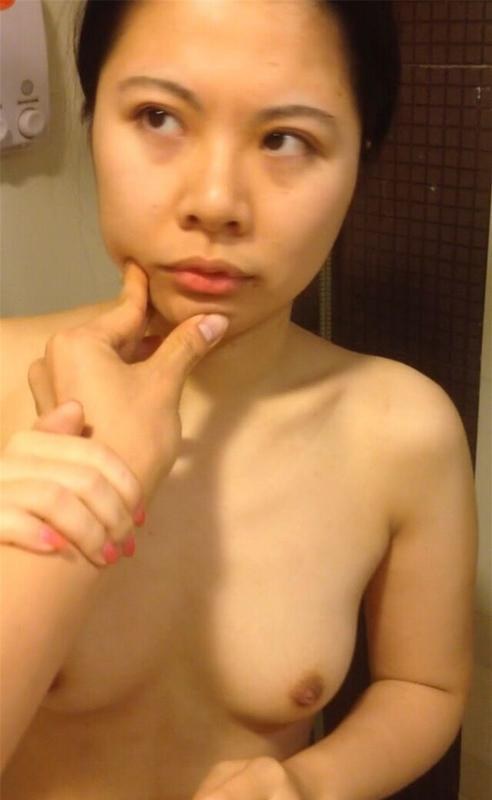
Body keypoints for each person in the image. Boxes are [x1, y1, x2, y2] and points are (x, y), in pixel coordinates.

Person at [0, 1, 478, 798]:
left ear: (360, 160)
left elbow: (424, 686)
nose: (217, 200)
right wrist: (81, 500)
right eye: (158, 117)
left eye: (286, 139)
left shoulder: (404, 432)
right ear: (92, 119)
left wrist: (310, 783)